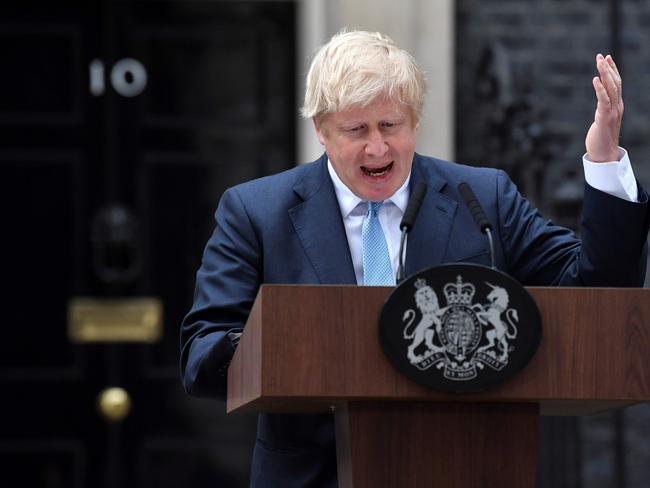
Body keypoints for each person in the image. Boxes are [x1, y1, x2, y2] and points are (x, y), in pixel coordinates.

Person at [180, 30, 649, 487]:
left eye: (390, 126)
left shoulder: (482, 198)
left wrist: (605, 160)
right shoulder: (256, 212)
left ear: (415, 121)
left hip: (466, 466)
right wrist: (283, 341)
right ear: (321, 130)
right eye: (356, 130)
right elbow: (202, 352)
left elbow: (596, 288)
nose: (378, 148)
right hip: (313, 473)